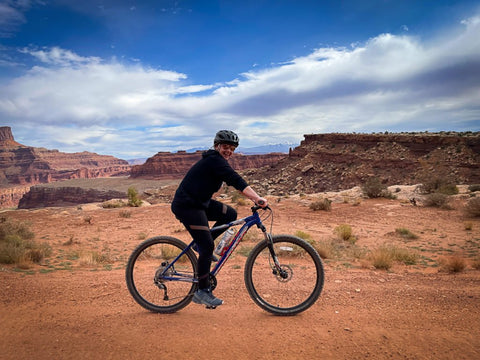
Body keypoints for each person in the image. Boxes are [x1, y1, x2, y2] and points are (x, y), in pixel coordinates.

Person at [171, 130, 268, 308]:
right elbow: (236, 180)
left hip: (200, 203)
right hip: (187, 206)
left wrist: (253, 197)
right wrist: (257, 198)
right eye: (225, 147)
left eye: (231, 149)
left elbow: (234, 183)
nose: (228, 151)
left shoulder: (218, 161)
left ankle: (199, 245)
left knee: (229, 214)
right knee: (208, 246)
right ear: (217, 146)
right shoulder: (214, 160)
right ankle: (202, 291)